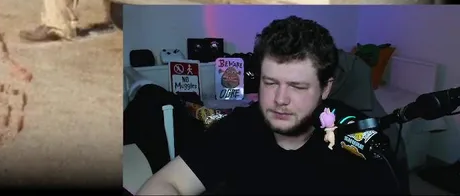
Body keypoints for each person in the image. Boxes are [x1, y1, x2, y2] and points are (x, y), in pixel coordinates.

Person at [136, 16, 401, 195]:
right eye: (270, 82)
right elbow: (167, 182)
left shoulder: (359, 141)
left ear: (325, 88)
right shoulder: (239, 127)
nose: (280, 99)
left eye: (297, 86)